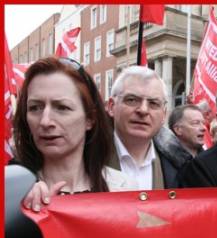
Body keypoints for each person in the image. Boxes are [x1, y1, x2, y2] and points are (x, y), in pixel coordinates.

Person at [13, 57, 135, 212]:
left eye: (62, 108)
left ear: (90, 118)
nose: (45, 121)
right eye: (35, 107)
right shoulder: (12, 191)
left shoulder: (125, 189)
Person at [107, 66, 191, 189]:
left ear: (164, 114)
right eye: (132, 100)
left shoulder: (181, 168)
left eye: (153, 103)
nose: (143, 110)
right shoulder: (84, 162)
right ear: (111, 106)